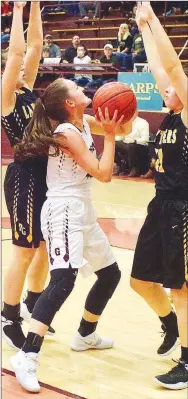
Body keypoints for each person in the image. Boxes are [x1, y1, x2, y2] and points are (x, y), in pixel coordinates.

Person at [10, 77, 133, 392]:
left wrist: (120, 118)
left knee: (110, 274)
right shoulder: (66, 133)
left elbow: (124, 130)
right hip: (63, 211)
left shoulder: (84, 121)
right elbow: (103, 173)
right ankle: (27, 355)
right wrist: (110, 136)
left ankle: (85, 333)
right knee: (63, 280)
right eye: (77, 89)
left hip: (83, 210)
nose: (83, 89)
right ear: (69, 103)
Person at [130, 2, 188, 390]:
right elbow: (159, 70)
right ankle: (170, 326)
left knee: (182, 289)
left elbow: (171, 69)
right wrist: (144, 28)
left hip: (183, 209)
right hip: (159, 206)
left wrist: (154, 19)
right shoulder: (169, 114)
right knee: (139, 280)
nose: (164, 88)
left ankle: (187, 361)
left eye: (171, 87)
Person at [1, 1, 55, 351]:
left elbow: (35, 45)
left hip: (46, 175)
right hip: (23, 178)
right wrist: (17, 8)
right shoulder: (5, 96)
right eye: (17, 67)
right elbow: (20, 51)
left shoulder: (27, 90)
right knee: (24, 250)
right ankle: (8, 317)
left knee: (45, 249)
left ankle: (36, 305)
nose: (24, 67)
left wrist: (35, 5)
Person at [115, 112, 149, 177]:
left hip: (139, 145)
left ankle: (134, 169)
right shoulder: (125, 122)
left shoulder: (143, 122)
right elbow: (121, 136)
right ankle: (119, 166)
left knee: (132, 146)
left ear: (136, 113)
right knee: (114, 144)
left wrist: (134, 141)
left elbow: (145, 139)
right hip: (126, 143)